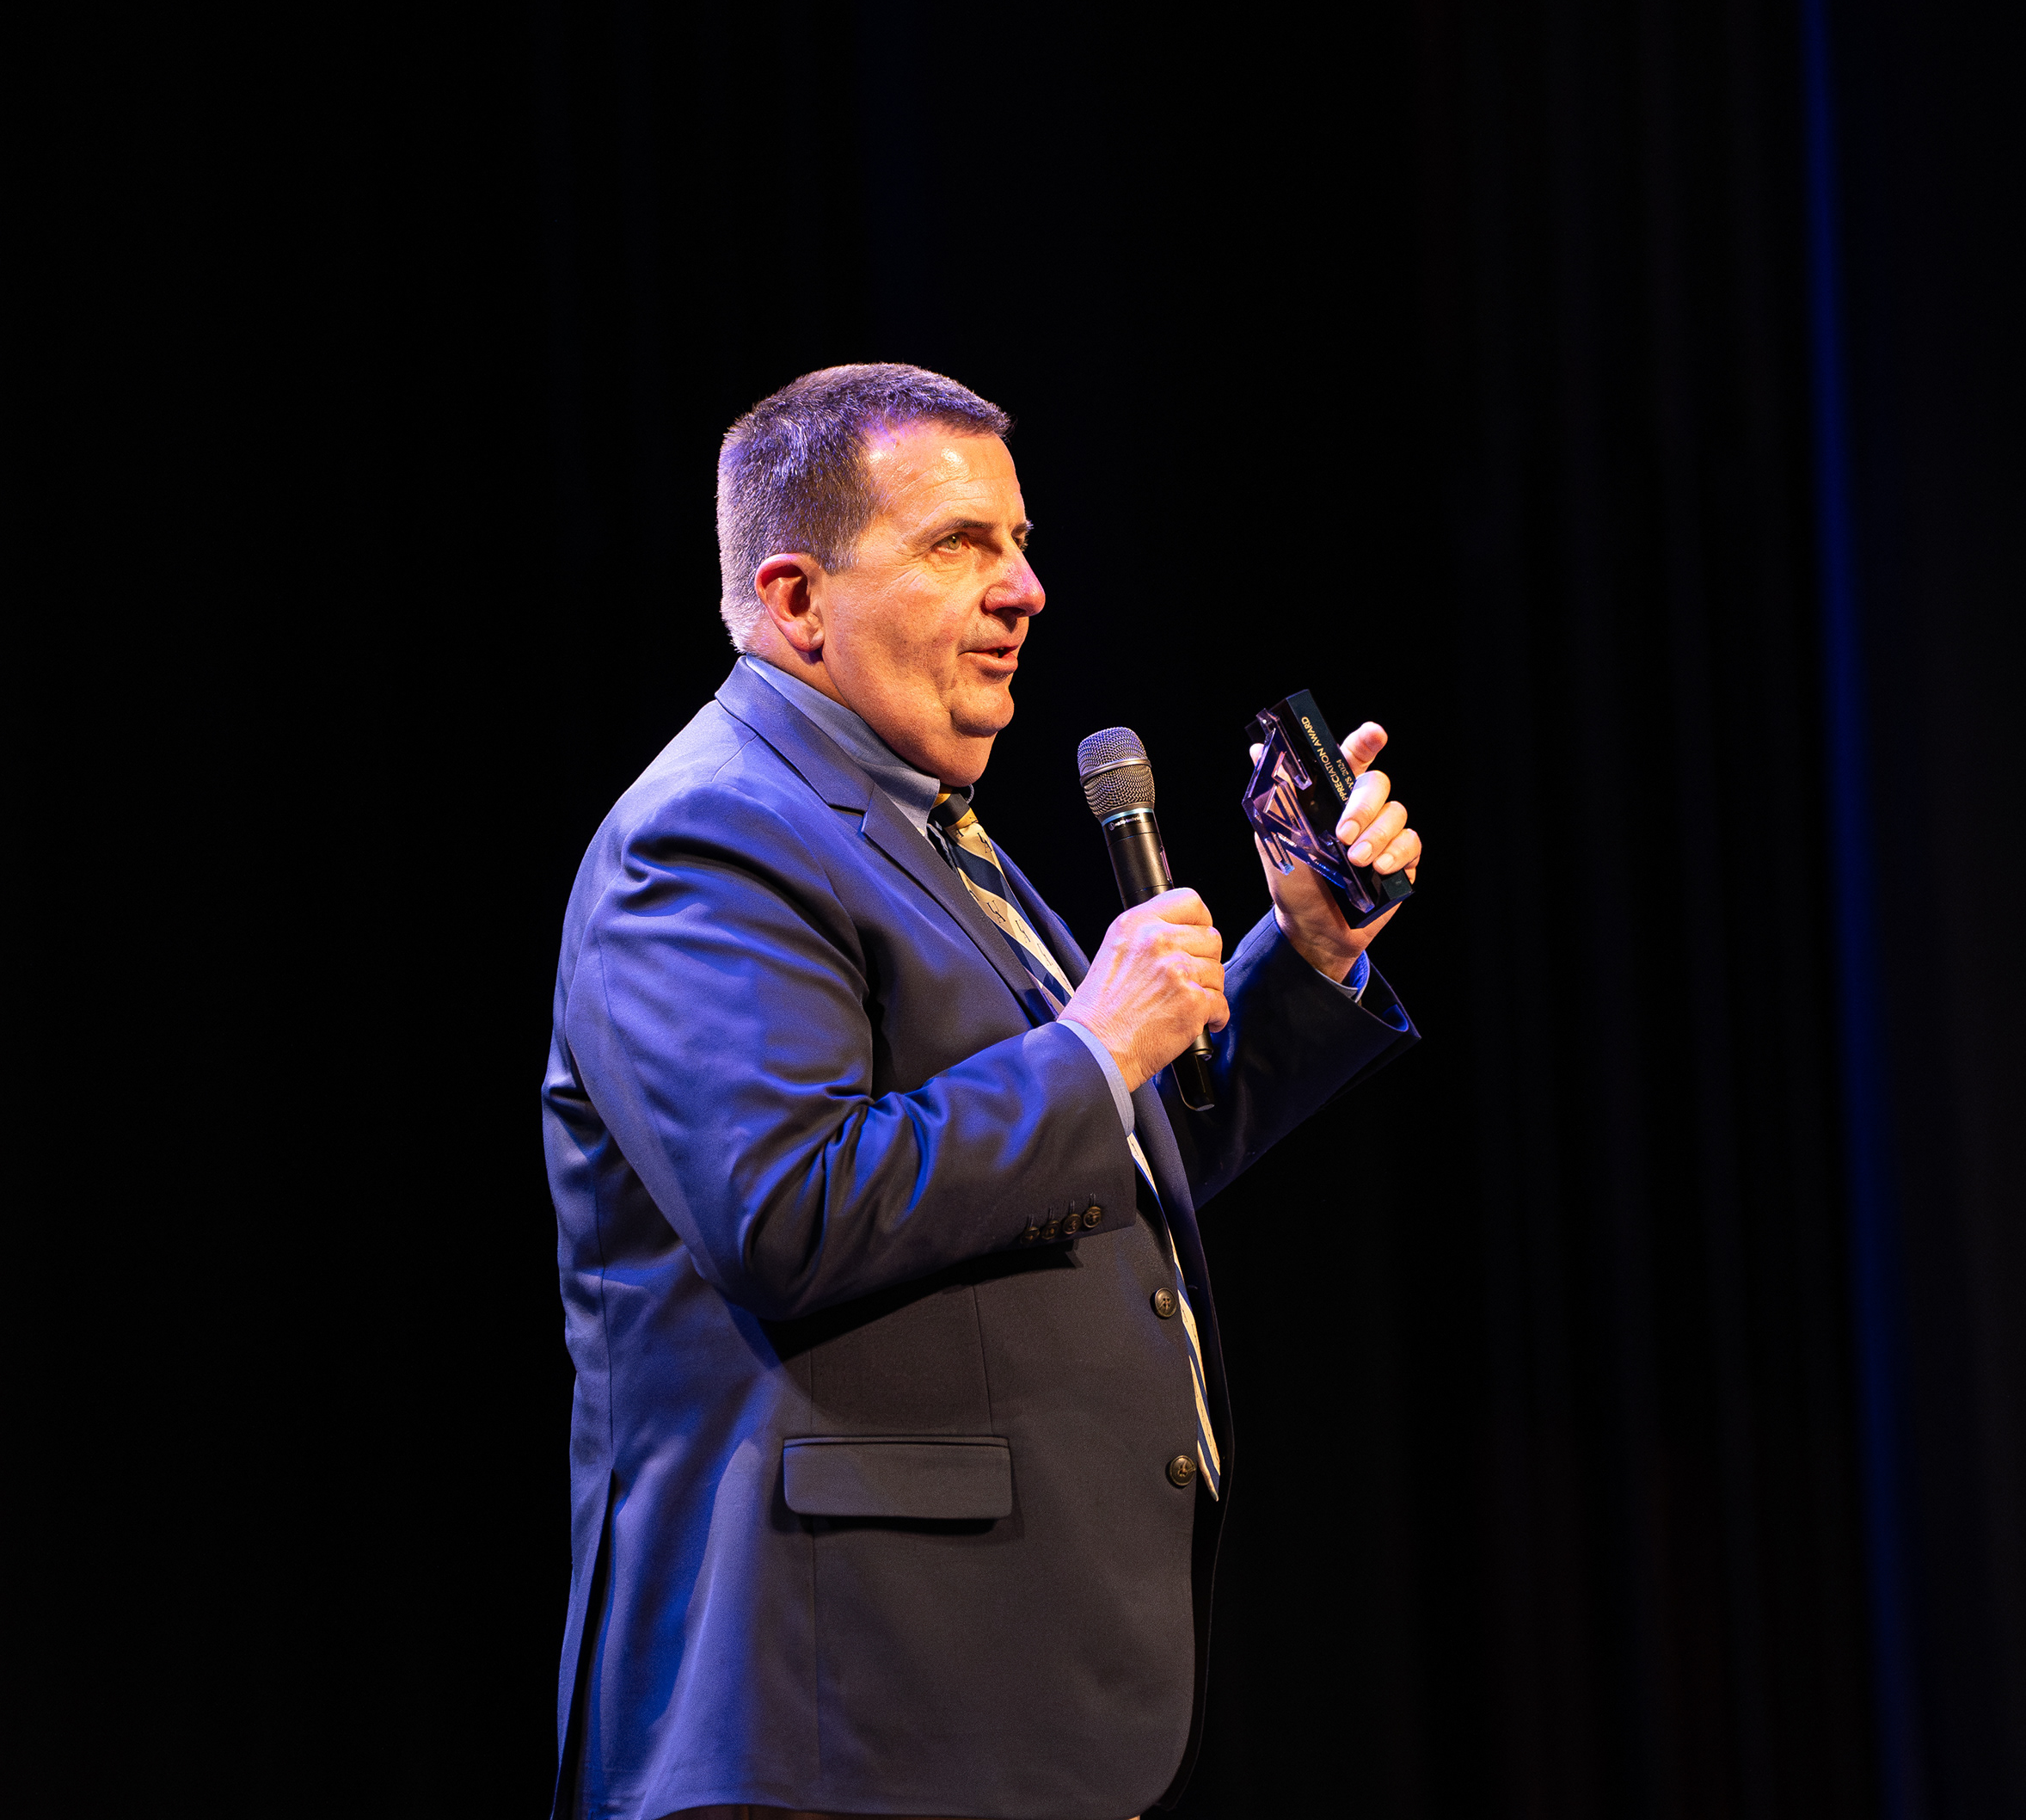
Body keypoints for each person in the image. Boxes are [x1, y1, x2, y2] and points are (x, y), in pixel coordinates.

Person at [543, 364, 1427, 1819]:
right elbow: (784, 1210)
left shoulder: (920, 830)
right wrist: (1095, 1048)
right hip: (834, 1722)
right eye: (959, 544)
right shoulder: (709, 839)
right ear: (796, 599)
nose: (1023, 589)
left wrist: (1308, 950)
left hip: (980, 1705)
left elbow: (1096, 1160)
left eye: (1019, 542)